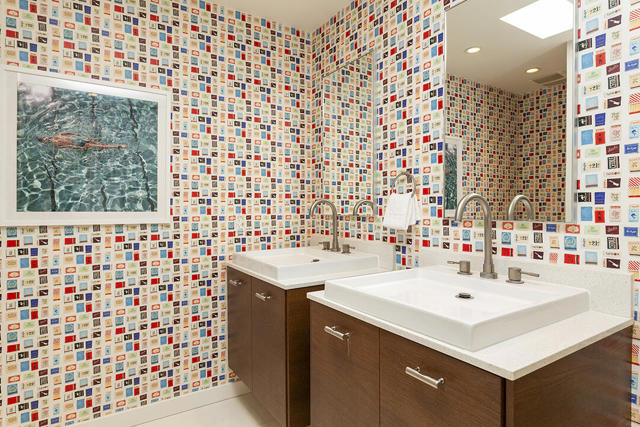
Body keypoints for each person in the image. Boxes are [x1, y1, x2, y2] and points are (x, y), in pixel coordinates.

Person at [37, 132, 127, 150]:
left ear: (46, 136)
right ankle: (117, 146)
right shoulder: (56, 145)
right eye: (44, 140)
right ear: (44, 142)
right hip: (76, 143)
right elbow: (69, 146)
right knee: (94, 145)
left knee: (94, 142)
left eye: (45, 138)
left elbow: (69, 132)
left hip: (77, 139)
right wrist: (80, 148)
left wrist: (79, 135)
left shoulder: (57, 134)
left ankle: (106, 146)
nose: (46, 139)